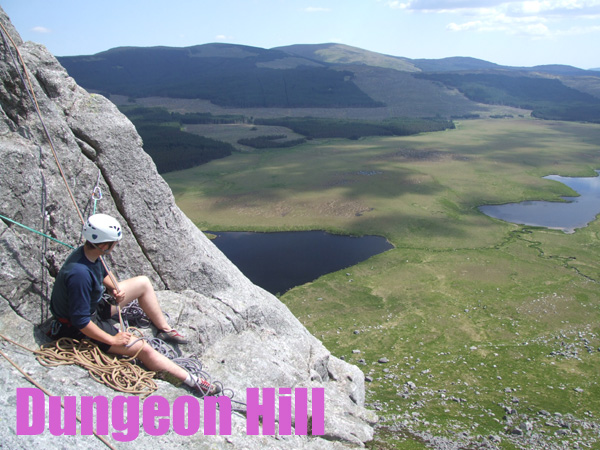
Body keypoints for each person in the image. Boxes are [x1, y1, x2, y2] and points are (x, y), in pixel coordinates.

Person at [49, 213, 220, 396]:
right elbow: (80, 321)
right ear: (105, 245)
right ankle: (195, 382)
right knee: (144, 348)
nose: (115, 246)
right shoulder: (79, 275)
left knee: (143, 283)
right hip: (80, 328)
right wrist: (112, 340)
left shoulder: (87, 253)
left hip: (94, 307)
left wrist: (114, 287)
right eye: (114, 243)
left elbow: (102, 271)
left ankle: (164, 328)